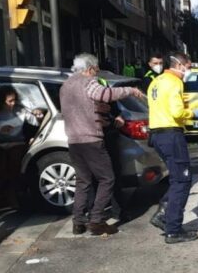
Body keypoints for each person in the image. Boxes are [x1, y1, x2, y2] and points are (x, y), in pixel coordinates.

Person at [59, 53, 144, 236]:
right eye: (96, 70)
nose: (97, 74)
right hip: (91, 140)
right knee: (107, 179)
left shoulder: (66, 85)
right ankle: (96, 220)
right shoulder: (88, 82)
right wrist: (130, 90)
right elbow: (106, 94)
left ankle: (78, 221)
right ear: (89, 69)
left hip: (74, 141)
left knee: (83, 181)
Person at [147, 52, 198, 244]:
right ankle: (173, 229)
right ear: (180, 65)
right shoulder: (174, 82)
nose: (190, 70)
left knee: (177, 179)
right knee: (182, 181)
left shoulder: (156, 81)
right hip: (171, 134)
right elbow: (177, 111)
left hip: (157, 134)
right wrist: (192, 113)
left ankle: (165, 214)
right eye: (189, 66)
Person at [0, 85, 45, 217]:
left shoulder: (20, 109)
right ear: (1, 100)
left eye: (14, 100)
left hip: (17, 142)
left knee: (14, 164)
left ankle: (8, 195)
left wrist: (38, 115)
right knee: (1, 167)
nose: (13, 103)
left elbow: (33, 121)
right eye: (10, 101)